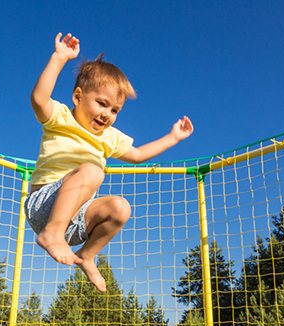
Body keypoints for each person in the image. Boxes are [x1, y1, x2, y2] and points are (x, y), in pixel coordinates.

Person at [26, 32, 193, 293]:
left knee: (120, 207)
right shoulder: (60, 117)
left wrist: (172, 137)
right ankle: (51, 233)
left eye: (114, 110)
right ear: (78, 97)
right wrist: (60, 58)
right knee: (93, 171)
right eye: (101, 104)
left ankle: (87, 255)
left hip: (78, 218)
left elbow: (138, 155)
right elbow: (38, 98)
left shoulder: (110, 137)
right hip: (43, 206)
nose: (107, 114)